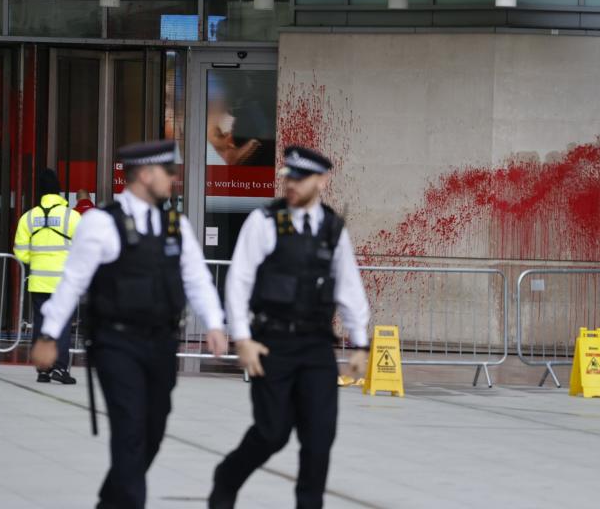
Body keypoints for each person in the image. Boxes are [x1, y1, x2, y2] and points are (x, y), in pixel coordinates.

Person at [31, 140, 229, 509]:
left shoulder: (175, 224)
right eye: (168, 172)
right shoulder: (101, 223)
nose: (173, 179)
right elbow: (71, 282)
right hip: (115, 344)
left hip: (161, 344)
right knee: (129, 428)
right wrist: (48, 335)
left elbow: (197, 277)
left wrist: (215, 324)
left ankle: (111, 501)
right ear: (144, 174)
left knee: (154, 427)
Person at [208, 146, 370, 509]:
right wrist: (242, 338)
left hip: (315, 346)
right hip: (272, 344)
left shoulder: (332, 228)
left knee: (319, 436)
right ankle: (227, 476)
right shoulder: (264, 221)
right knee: (272, 433)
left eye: (301, 178)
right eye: (289, 177)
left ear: (322, 181)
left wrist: (361, 344)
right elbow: (239, 281)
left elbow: (349, 287)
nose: (292, 185)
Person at [14, 168, 82, 384]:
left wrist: (38, 258)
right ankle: (60, 369)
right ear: (59, 191)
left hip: (38, 282)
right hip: (64, 283)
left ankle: (43, 369)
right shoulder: (72, 217)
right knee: (61, 325)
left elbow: (21, 252)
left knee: (42, 325)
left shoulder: (29, 217)